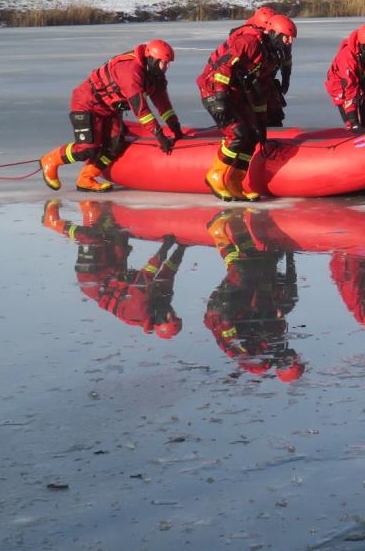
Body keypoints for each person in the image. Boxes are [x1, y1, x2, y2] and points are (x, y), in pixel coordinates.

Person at [40, 40, 183, 193]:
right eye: (164, 63)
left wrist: (176, 128)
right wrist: (159, 135)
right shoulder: (130, 72)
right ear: (153, 59)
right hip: (87, 104)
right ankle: (50, 160)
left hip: (110, 109)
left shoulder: (156, 76)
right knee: (87, 150)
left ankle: (86, 178)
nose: (167, 67)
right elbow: (141, 109)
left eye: (168, 64)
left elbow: (164, 105)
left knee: (115, 145)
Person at [42, 200, 186, 338]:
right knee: (118, 234)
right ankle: (90, 210)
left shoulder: (138, 311)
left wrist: (165, 247)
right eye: (174, 315)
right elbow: (168, 273)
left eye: (170, 317)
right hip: (115, 273)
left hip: (94, 280)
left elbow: (145, 276)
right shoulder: (163, 300)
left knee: (90, 238)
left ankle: (51, 221)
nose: (171, 312)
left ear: (160, 322)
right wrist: (181, 248)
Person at [197, 13, 292, 202]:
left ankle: (235, 181)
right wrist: (221, 96)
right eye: (285, 37)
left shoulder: (270, 56)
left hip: (236, 94)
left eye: (291, 39)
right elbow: (223, 68)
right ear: (273, 33)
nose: (288, 42)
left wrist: (261, 121)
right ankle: (215, 174)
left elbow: (261, 89)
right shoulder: (249, 42)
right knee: (238, 134)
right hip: (215, 89)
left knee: (254, 135)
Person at [203, 209, 303, 380]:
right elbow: (266, 306)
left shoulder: (257, 359)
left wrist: (228, 313)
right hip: (242, 308)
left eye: (293, 359)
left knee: (242, 272)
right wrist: (282, 260)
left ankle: (216, 231)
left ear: (285, 364)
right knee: (259, 264)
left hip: (223, 314)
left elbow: (231, 338)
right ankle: (237, 224)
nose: (294, 354)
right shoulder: (276, 337)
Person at [249, 7, 296, 125]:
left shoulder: (281, 37)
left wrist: (286, 79)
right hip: (251, 83)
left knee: (275, 114)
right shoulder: (250, 40)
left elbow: (286, 59)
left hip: (267, 79)